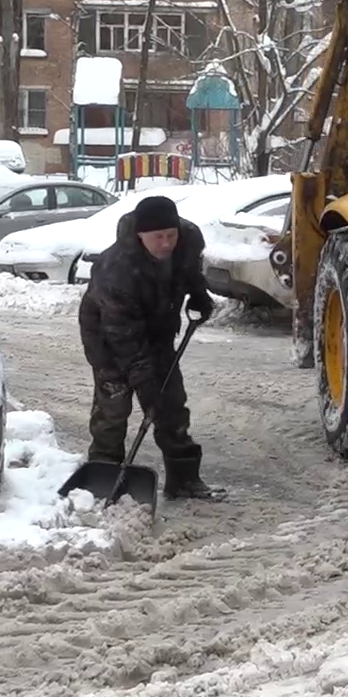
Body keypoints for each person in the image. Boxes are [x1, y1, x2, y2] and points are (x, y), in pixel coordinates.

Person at [77, 194, 223, 501]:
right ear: (140, 235)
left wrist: (198, 293)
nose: (167, 243)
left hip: (158, 329)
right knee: (114, 405)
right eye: (158, 237)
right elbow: (123, 337)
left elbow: (189, 268)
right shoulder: (115, 268)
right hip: (108, 336)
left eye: (171, 235)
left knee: (170, 403)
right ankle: (104, 471)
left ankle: (183, 478)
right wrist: (143, 382)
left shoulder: (188, 238)